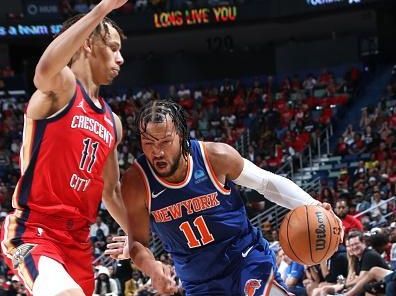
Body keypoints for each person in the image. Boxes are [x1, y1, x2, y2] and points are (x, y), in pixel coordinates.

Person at [105, 100, 343, 295]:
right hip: (199, 280)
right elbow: (137, 243)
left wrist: (312, 205)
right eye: (148, 143)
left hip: (245, 258)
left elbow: (267, 183)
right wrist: (153, 270)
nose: (156, 151)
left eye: (165, 141)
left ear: (182, 137)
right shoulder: (136, 182)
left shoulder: (215, 157)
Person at [0, 1, 129, 295]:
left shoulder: (113, 122)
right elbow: (44, 69)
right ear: (87, 44)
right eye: (113, 47)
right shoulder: (63, 85)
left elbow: (111, 191)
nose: (121, 58)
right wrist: (101, 10)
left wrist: (141, 238)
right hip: (35, 230)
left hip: (78, 242)